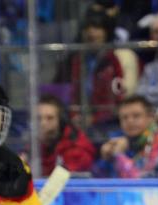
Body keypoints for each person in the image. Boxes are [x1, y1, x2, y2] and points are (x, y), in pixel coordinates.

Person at [58, 4, 139, 132]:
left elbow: (116, 99)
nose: (91, 33)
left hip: (110, 123)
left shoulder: (113, 59)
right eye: (87, 29)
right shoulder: (78, 60)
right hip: (83, 122)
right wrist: (74, 116)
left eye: (96, 28)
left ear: (106, 32)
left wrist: (94, 119)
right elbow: (75, 94)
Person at [92, 95, 158, 178]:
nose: (130, 121)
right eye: (124, 117)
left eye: (136, 116)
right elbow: (97, 181)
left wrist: (119, 155)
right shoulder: (119, 141)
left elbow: (143, 183)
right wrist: (105, 160)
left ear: (150, 117)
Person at [37, 94, 96, 176]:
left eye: (50, 118)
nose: (42, 123)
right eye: (38, 118)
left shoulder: (77, 150)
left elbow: (62, 181)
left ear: (61, 121)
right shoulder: (34, 148)